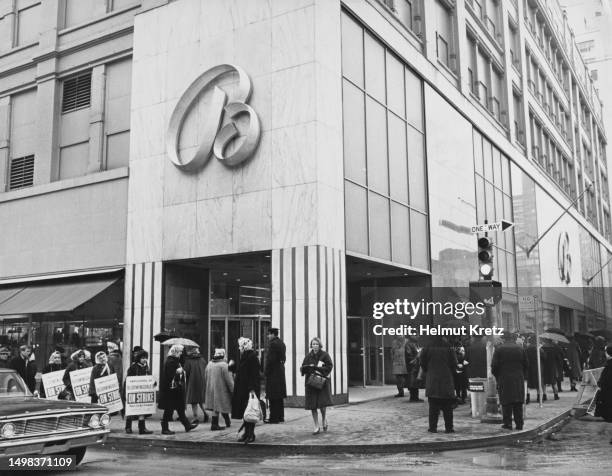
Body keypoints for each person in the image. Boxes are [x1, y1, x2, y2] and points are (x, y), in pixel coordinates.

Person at [419, 337, 457, 433]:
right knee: (447, 407)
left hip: (432, 380)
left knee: (433, 407)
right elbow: (454, 363)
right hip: (446, 380)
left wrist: (428, 370)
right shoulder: (448, 347)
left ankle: (433, 428)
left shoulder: (427, 347)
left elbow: (422, 362)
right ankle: (449, 428)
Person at [492, 332, 528, 431]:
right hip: (518, 378)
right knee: (518, 402)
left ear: (503, 339)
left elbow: (494, 366)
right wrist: (521, 374)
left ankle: (508, 423)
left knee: (506, 402)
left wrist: (498, 376)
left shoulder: (499, 349)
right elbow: (526, 364)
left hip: (504, 378)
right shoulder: (520, 348)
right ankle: (519, 424)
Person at [159, 344, 198, 435]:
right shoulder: (170, 361)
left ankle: (187, 425)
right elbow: (170, 376)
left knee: (180, 408)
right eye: (179, 351)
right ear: (175, 351)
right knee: (169, 409)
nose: (181, 353)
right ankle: (164, 428)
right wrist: (178, 372)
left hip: (175, 389)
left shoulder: (175, 360)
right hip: (171, 390)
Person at [300, 337, 334, 435]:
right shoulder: (308, 356)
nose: (315, 346)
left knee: (322, 404)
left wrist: (318, 368)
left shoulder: (325, 355)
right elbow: (302, 367)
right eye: (313, 344)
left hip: (321, 383)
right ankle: (316, 425)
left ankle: (324, 419)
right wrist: (305, 368)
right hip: (310, 383)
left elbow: (330, 366)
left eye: (316, 344)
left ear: (320, 345)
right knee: (312, 405)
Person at [231, 337, 262, 443]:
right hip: (243, 388)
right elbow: (241, 371)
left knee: (250, 411)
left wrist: (252, 389)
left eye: (240, 346)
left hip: (249, 389)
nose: (239, 348)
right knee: (246, 412)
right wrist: (232, 367)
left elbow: (254, 374)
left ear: (244, 346)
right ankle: (246, 433)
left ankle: (250, 434)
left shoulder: (252, 356)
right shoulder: (245, 356)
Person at [124, 349, 153, 435]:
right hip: (132, 391)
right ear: (138, 358)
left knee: (142, 409)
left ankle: (142, 428)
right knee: (130, 409)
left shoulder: (147, 367)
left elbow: (149, 378)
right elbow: (128, 379)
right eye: (143, 358)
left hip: (142, 391)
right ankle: (128, 427)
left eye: (146, 358)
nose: (145, 360)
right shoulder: (133, 367)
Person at [205, 348, 234, 431]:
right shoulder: (224, 365)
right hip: (221, 389)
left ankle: (226, 421)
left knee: (217, 405)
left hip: (211, 388)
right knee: (221, 405)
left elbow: (205, 376)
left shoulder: (209, 364)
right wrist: (233, 390)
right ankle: (214, 424)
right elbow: (229, 380)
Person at [264, 328, 287, 423]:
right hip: (280, 371)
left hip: (273, 373)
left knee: (273, 396)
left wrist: (266, 372)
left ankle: (274, 417)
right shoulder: (281, 343)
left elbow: (270, 360)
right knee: (279, 396)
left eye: (269, 334)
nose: (268, 336)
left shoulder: (273, 344)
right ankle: (280, 416)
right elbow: (283, 358)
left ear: (273, 334)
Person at [184, 346, 208, 424]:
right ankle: (205, 413)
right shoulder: (202, 359)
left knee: (194, 401)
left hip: (192, 382)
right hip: (202, 382)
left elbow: (186, 372)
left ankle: (195, 417)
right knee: (200, 399)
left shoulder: (188, 361)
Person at [594, 345, 612, 444]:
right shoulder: (608, 364)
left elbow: (606, 380)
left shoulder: (609, 365)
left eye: (606, 352)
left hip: (609, 393)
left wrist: (600, 384)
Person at [525, 336, 545, 404]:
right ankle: (539, 398)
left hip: (529, 368)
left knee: (528, 384)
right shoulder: (539, 349)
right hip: (537, 368)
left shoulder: (527, 349)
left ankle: (528, 398)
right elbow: (544, 357)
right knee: (538, 383)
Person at [405, 337, 422, 402]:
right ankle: (413, 397)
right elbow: (409, 356)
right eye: (415, 334)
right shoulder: (409, 344)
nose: (417, 336)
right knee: (412, 381)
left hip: (416, 365)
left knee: (415, 382)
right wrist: (417, 356)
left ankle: (416, 397)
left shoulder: (415, 344)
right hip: (412, 365)